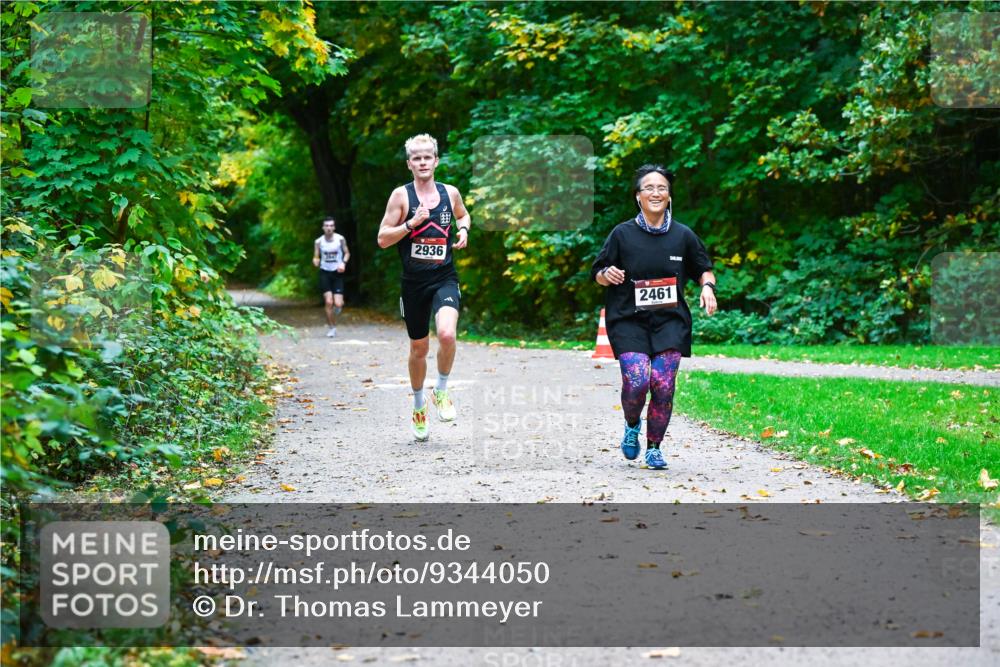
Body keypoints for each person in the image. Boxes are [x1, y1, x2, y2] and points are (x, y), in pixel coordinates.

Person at [591, 164, 717, 470]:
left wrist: (708, 287)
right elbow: (597, 272)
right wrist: (608, 274)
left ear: (669, 196)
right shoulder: (622, 234)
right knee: (636, 381)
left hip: (670, 322)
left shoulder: (683, 235)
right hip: (628, 319)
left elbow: (703, 268)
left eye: (662, 188)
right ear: (638, 197)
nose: (656, 193)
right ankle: (632, 424)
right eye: (649, 188)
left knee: (662, 383)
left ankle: (654, 448)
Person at [377, 134, 471, 441]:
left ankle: (441, 390)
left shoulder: (450, 192)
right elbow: (382, 238)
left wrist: (464, 229)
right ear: (409, 164)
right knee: (419, 348)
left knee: (446, 334)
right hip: (413, 284)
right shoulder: (400, 197)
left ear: (436, 161)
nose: (422, 162)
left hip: (444, 277)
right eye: (416, 158)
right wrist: (410, 224)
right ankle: (419, 405)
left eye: (427, 157)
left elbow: (463, 214)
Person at [313, 218, 350, 337]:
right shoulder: (318, 242)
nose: (329, 228)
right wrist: (315, 261)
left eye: (331, 225)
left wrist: (343, 263)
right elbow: (316, 256)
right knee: (329, 302)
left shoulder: (340, 239)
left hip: (337, 273)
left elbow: (347, 253)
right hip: (325, 272)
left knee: (338, 303)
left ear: (334, 227)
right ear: (323, 228)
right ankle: (332, 327)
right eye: (326, 226)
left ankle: (337, 308)